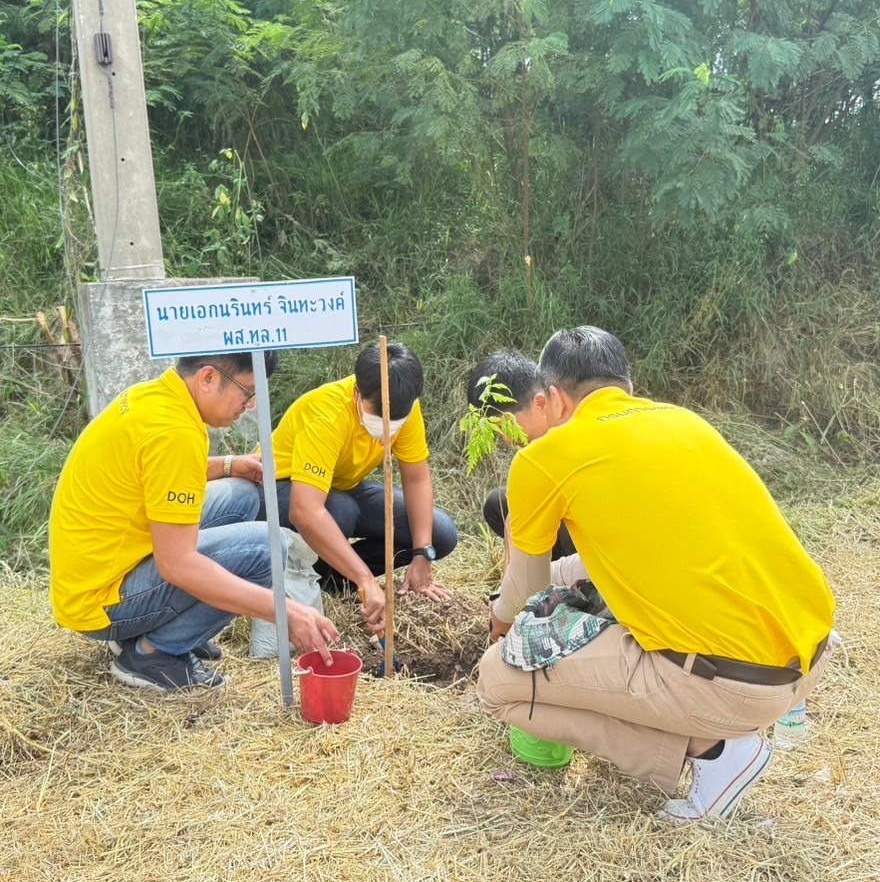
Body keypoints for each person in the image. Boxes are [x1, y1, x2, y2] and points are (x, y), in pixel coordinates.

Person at [476, 327, 838, 823]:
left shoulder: (545, 457)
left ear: (554, 398)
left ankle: (712, 750)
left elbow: (526, 589)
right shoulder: (684, 423)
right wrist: (558, 576)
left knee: (496, 681)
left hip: (732, 686)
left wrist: (499, 619)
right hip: (806, 659)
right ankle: (717, 745)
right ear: (627, 386)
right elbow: (614, 559)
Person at [50, 352, 341, 693]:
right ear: (208, 378)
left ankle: (156, 630)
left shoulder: (154, 397)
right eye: (247, 392)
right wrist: (285, 611)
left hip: (103, 566)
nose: (249, 405)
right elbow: (178, 565)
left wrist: (230, 464)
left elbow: (162, 470)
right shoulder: (176, 432)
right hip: (102, 602)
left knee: (241, 496)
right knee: (267, 548)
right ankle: (153, 653)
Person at [262, 342, 459, 631]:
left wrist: (422, 553)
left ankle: (331, 578)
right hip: (278, 490)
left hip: (344, 487)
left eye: (395, 421)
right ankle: (310, 574)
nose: (387, 427)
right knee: (340, 511)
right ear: (357, 392)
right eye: (378, 416)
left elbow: (416, 479)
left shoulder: (405, 406)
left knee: (440, 532)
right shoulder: (327, 413)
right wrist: (365, 578)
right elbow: (304, 510)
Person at [467, 350, 578, 570]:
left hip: (600, 532)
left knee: (569, 524)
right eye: (499, 432)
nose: (507, 439)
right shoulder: (533, 441)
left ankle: (581, 583)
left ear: (540, 403)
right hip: (558, 526)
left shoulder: (574, 424)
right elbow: (517, 511)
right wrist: (512, 577)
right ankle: (548, 575)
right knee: (498, 504)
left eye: (508, 427)